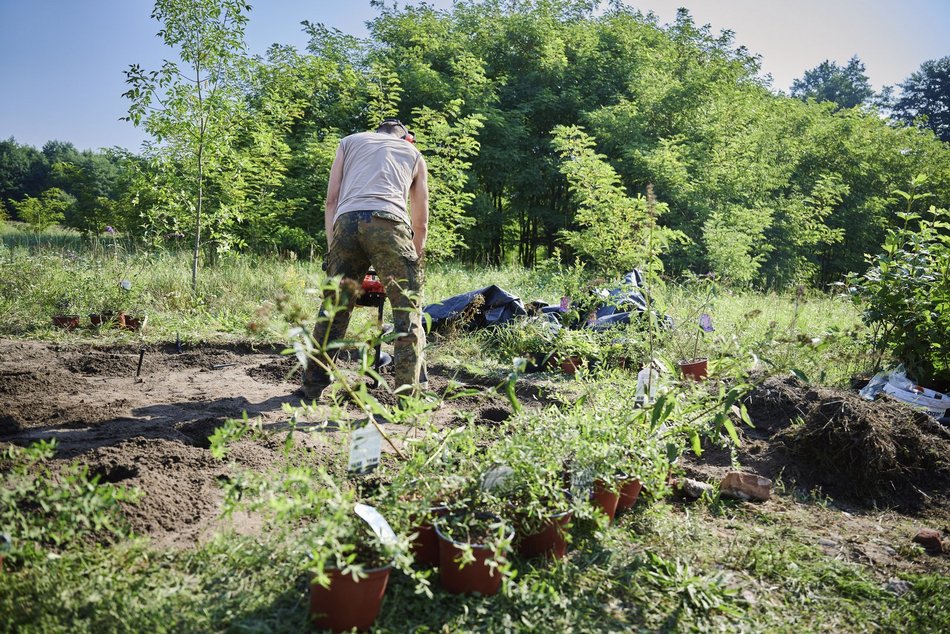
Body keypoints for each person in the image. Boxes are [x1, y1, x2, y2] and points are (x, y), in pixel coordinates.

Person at [301, 118, 429, 398]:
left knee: (334, 308)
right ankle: (409, 398)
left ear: (377, 132)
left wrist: (334, 248)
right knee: (407, 314)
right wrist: (414, 261)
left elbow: (331, 202)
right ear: (406, 138)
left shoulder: (349, 142)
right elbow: (420, 222)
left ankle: (311, 387)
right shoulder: (413, 154)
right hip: (390, 223)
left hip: (346, 222)